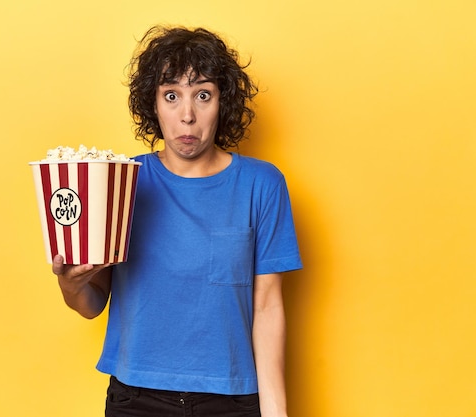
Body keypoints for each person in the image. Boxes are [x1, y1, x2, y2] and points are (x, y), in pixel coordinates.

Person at [52, 25, 302, 417]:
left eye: (203, 95)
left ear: (223, 102)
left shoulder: (262, 184)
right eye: (172, 96)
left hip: (232, 402)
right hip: (136, 400)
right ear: (153, 104)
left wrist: (276, 413)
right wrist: (69, 284)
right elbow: (91, 303)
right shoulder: (122, 181)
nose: (187, 116)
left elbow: (268, 307)